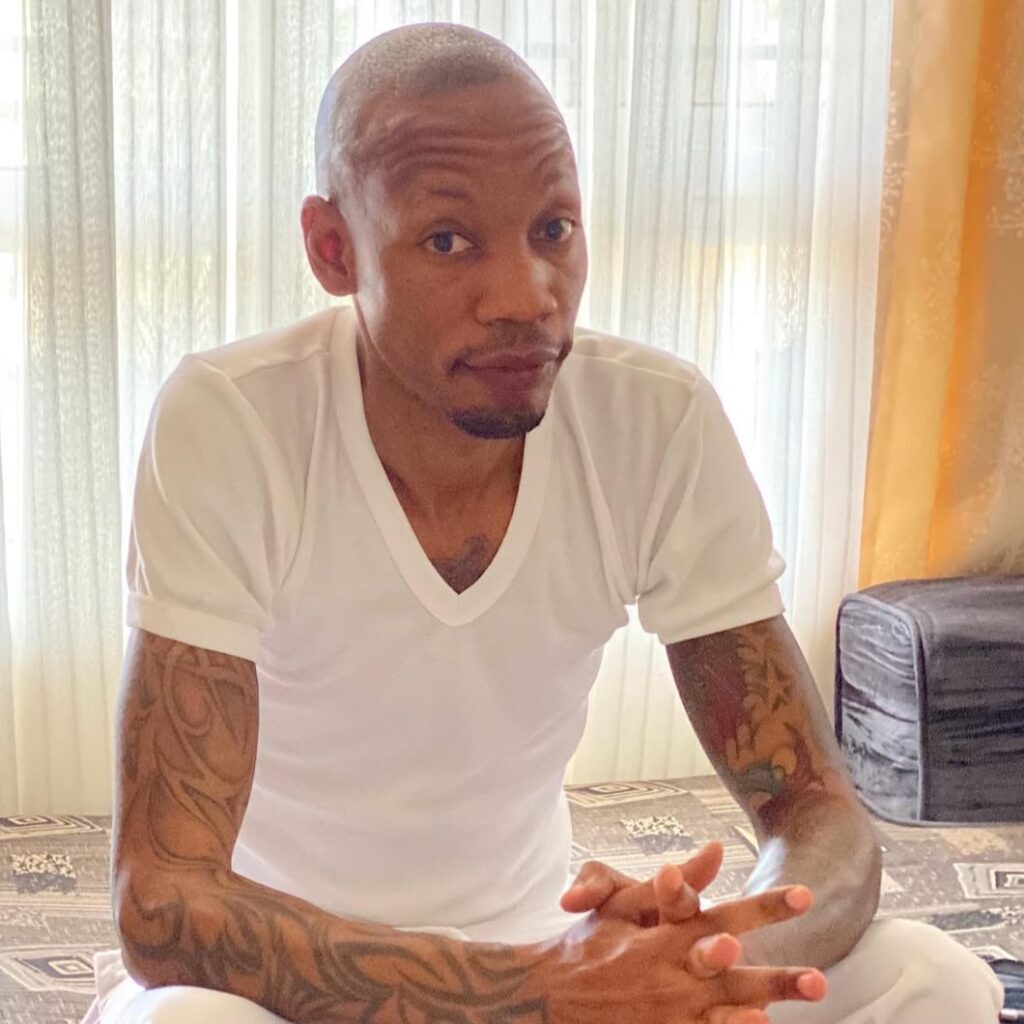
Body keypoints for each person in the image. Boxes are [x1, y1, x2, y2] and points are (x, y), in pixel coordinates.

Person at [82, 21, 1003, 1024]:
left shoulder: (653, 419)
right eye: (448, 240)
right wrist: (542, 992)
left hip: (545, 961)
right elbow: (162, 903)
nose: (526, 297)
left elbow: (819, 814)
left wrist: (697, 959)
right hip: (295, 993)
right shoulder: (232, 421)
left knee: (932, 978)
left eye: (553, 230)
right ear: (333, 249)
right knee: (178, 1021)